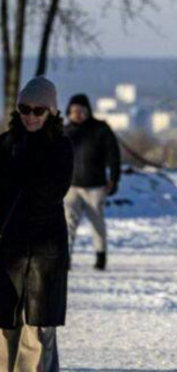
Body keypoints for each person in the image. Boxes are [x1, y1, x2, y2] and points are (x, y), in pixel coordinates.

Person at [0, 77, 74, 372]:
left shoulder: (61, 146)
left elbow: (52, 191)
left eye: (37, 110)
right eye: (24, 109)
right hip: (9, 245)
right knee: (3, 324)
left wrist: (19, 175)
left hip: (44, 246)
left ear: (51, 112)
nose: (30, 116)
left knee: (35, 322)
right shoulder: (5, 143)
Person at [64, 94, 121, 271]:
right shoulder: (64, 132)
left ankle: (100, 256)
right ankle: (65, 259)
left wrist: (113, 179)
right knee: (68, 224)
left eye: (81, 110)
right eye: (74, 111)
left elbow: (114, 156)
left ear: (88, 111)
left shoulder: (101, 130)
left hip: (95, 185)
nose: (78, 114)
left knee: (97, 223)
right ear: (69, 113)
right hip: (71, 186)